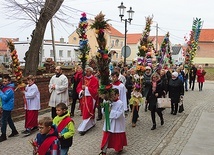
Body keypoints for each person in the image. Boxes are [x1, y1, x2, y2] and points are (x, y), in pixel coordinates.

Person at [100, 88, 127, 155]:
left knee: (117, 137)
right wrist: (105, 110)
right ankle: (104, 151)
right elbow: (103, 110)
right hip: (108, 122)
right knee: (106, 136)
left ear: (118, 95)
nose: (113, 96)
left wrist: (110, 111)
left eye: (114, 95)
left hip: (117, 123)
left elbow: (119, 114)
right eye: (111, 95)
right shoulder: (107, 101)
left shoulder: (120, 103)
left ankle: (119, 148)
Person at [76, 67, 99, 135]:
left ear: (91, 72)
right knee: (84, 112)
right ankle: (91, 123)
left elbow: (95, 91)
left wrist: (86, 88)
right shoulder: (83, 79)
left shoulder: (94, 79)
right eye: (86, 71)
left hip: (90, 99)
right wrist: (81, 91)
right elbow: (79, 87)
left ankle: (83, 128)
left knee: (87, 113)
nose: (86, 72)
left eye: (88, 71)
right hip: (83, 98)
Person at [0, 75, 19, 142]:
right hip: (6, 106)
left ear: (9, 81)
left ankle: (3, 135)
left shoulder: (10, 89)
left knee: (3, 121)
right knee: (9, 119)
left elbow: (5, 98)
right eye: (3, 81)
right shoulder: (5, 88)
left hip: (7, 107)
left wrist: (0, 92)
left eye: (5, 81)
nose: (4, 82)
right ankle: (14, 131)